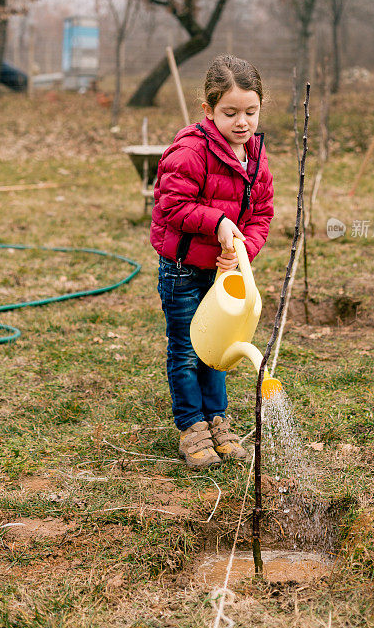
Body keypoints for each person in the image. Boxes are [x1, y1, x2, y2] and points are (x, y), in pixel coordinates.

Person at [150, 54, 274, 469]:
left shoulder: (255, 155)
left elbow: (261, 214)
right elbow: (171, 205)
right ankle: (192, 427)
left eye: (251, 112)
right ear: (208, 110)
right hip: (184, 269)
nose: (243, 122)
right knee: (187, 348)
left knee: (217, 347)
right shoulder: (190, 151)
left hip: (223, 271)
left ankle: (216, 419)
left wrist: (242, 250)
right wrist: (218, 221)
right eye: (231, 113)